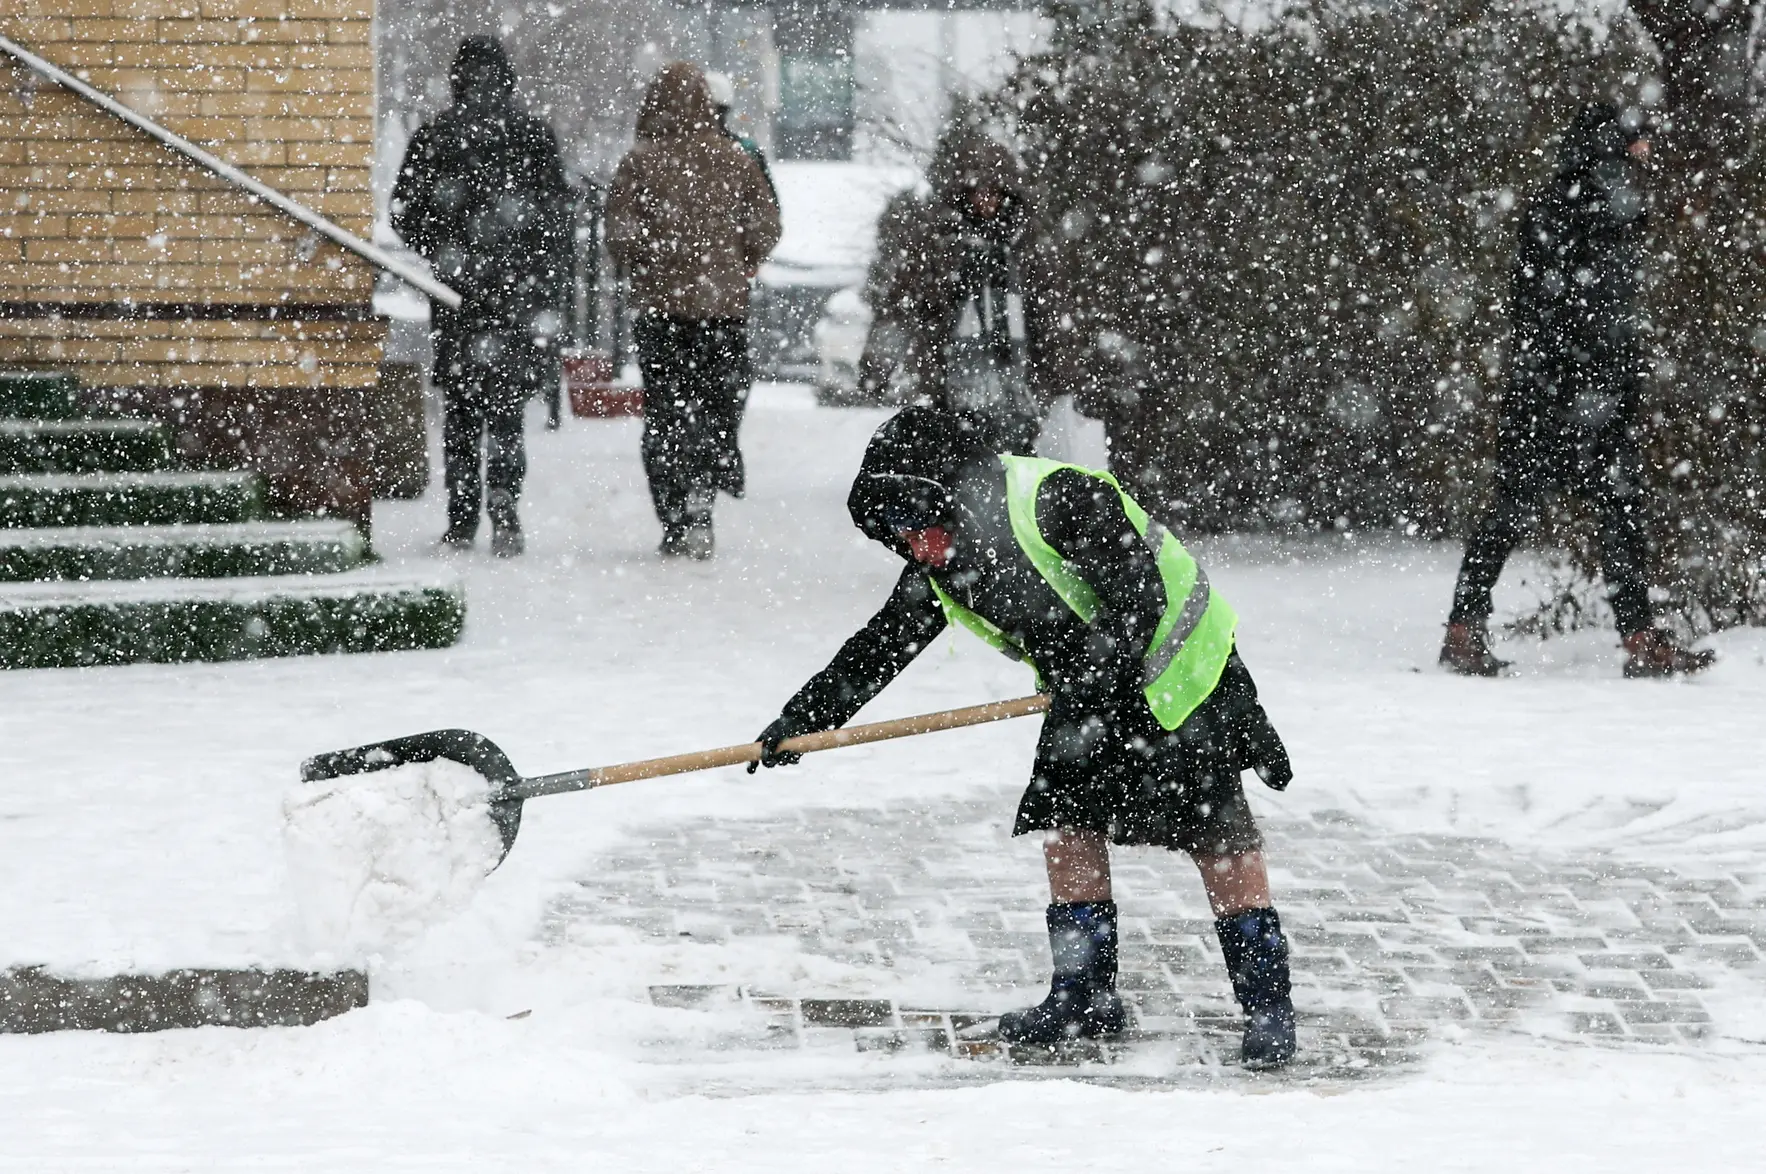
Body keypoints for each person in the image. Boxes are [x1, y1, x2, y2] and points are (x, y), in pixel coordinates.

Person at [749, 406, 1299, 1068]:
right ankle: (1083, 998)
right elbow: (880, 646)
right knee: (1067, 825)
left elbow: (1141, 600)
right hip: (1085, 685)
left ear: (953, 494)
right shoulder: (942, 561)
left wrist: (1096, 676)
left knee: (1219, 840)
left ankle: (1268, 1008)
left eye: (920, 525)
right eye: (898, 535)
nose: (916, 546)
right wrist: (804, 721)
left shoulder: (1059, 499)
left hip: (1180, 674)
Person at [1441, 103, 1716, 678]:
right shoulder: (1581, 210)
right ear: (1607, 152)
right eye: (1632, 147)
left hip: (1567, 391)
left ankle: (1471, 631)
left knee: (1580, 509)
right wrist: (1589, 381)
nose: (1642, 157)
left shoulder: (1586, 209)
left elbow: (1585, 309)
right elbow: (1565, 309)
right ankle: (1470, 633)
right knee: (1561, 509)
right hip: (1564, 392)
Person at [392, 37, 574, 557]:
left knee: (461, 409)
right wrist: (534, 269)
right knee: (507, 408)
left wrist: (444, 252)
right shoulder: (532, 135)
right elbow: (555, 215)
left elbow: (405, 212)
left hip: (457, 296)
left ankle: (462, 515)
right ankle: (506, 509)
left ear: (457, 80)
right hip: (513, 296)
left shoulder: (435, 136)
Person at [605, 62, 781, 559]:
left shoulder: (639, 162)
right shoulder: (735, 159)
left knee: (664, 415)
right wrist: (736, 261)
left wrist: (648, 263)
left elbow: (620, 237)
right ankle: (705, 493)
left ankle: (673, 516)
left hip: (661, 313)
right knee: (717, 405)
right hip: (723, 309)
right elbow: (767, 226)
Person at [858, 121, 1056, 452]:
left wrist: (1059, 375)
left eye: (994, 194)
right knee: (962, 465)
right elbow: (900, 306)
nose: (985, 202)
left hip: (1018, 384)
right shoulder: (939, 244)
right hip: (952, 381)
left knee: (1015, 460)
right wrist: (877, 365)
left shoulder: (1026, 247)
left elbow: (1049, 314)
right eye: (977, 193)